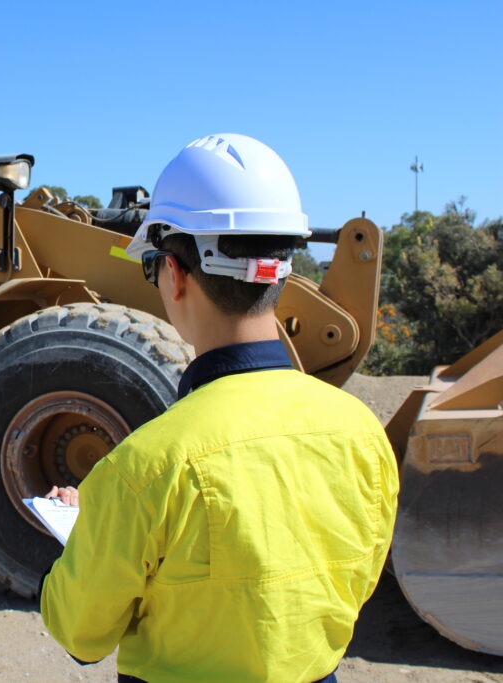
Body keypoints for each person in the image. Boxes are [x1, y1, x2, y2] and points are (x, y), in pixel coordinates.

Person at [39, 134, 399, 683]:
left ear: (176, 274)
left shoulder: (144, 469)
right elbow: (354, 583)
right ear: (281, 269)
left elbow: (81, 633)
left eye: (152, 267)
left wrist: (91, 536)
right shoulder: (363, 435)